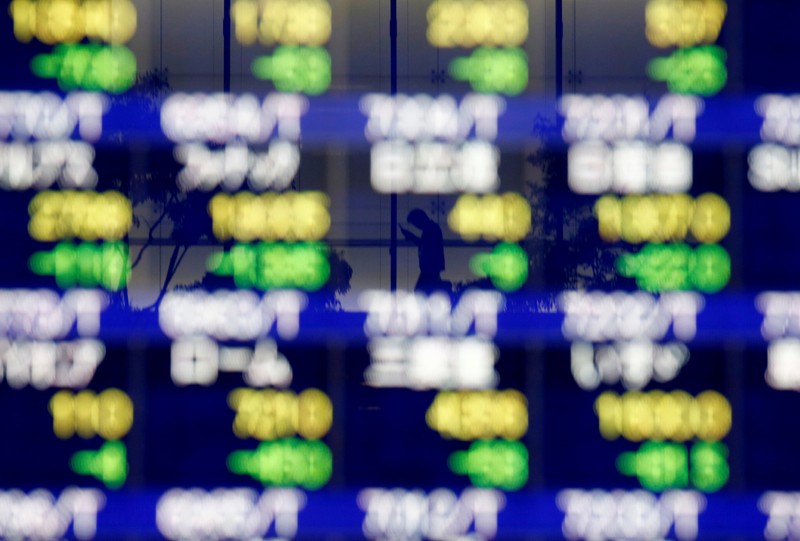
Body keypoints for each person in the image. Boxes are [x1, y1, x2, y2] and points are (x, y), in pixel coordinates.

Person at [399, 209, 447, 292]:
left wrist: (411, 237)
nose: (416, 226)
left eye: (415, 223)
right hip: (431, 268)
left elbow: (427, 245)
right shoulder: (432, 229)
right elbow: (426, 245)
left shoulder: (431, 229)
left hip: (430, 268)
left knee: (421, 291)